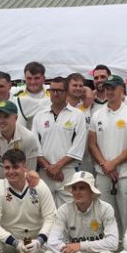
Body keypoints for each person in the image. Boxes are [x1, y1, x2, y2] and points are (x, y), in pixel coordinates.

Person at [44, 171, 120, 253]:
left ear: (92, 191)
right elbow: (52, 241)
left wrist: (81, 245)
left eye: (82, 188)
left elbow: (113, 243)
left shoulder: (105, 208)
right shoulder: (64, 210)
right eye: (75, 188)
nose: (77, 192)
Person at [88, 74, 127, 233]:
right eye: (107, 88)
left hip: (124, 175)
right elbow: (92, 144)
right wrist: (105, 165)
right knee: (105, 217)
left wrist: (112, 164)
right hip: (103, 174)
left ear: (122, 89)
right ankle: (108, 252)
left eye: (113, 88)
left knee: (126, 217)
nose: (109, 91)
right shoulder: (97, 115)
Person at [34, 76, 88, 205]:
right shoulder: (40, 116)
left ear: (66, 92)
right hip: (44, 172)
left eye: (59, 90)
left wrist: (57, 167)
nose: (55, 93)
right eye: (52, 90)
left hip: (67, 172)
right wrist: (49, 168)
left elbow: (78, 146)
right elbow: (34, 146)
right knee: (46, 213)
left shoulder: (77, 115)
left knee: (70, 213)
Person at [0, 99, 40, 185]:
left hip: (22, 185)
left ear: (16, 118)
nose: (1, 120)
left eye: (6, 116)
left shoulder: (29, 138)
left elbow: (30, 172)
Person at [12, 61, 50, 128]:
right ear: (25, 78)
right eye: (29, 78)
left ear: (43, 79)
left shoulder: (52, 91)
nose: (33, 82)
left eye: (36, 78)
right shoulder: (16, 92)